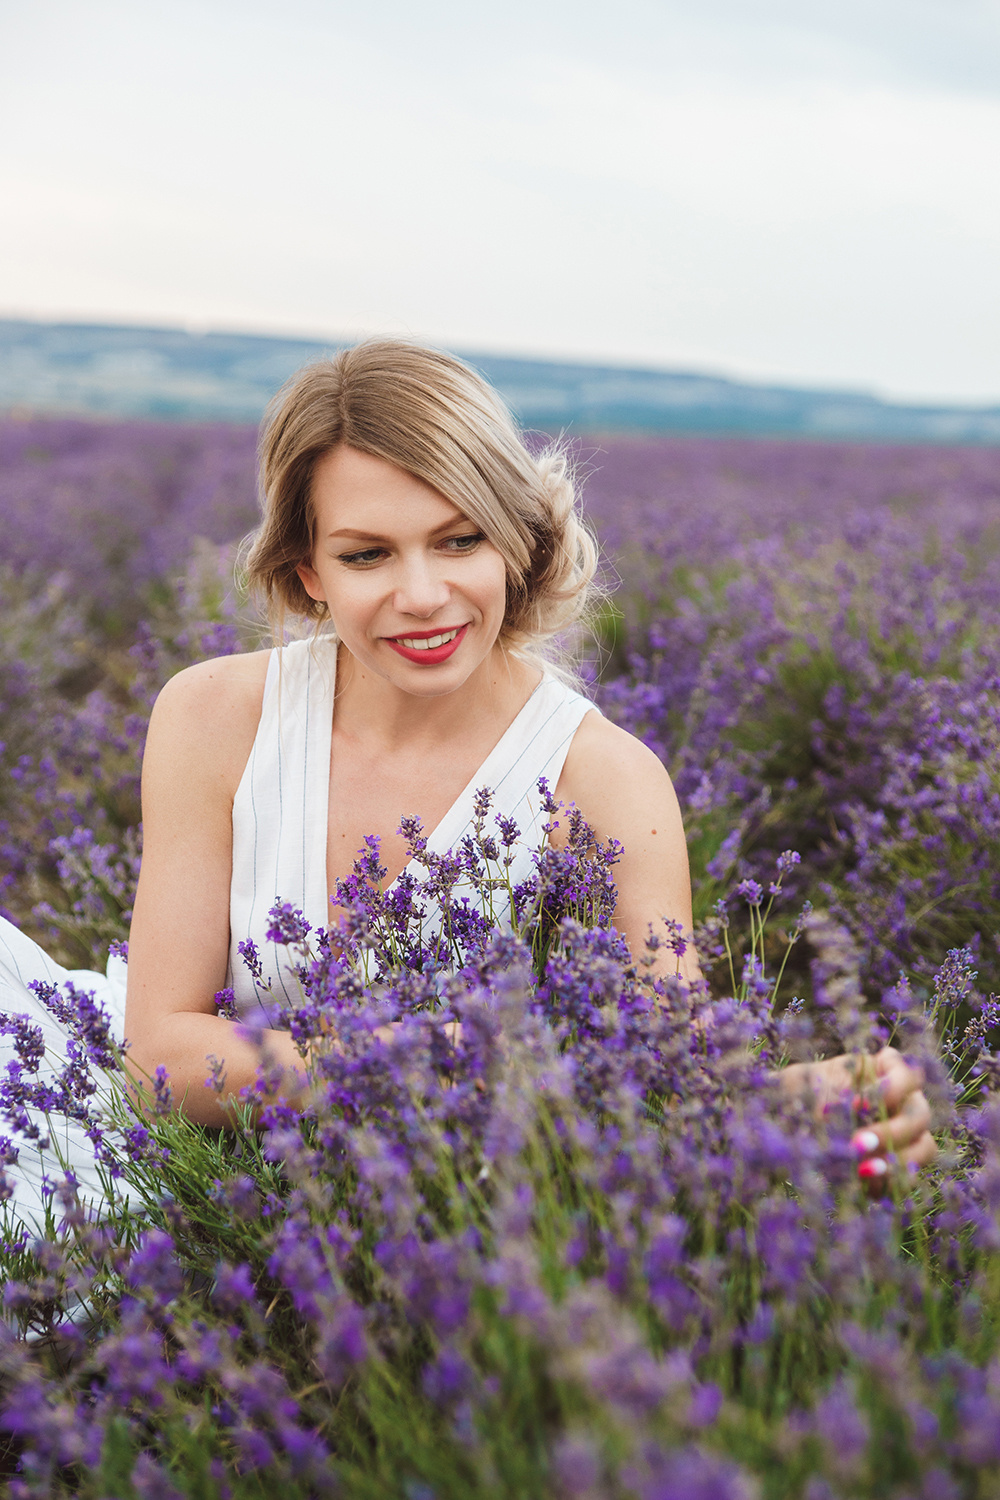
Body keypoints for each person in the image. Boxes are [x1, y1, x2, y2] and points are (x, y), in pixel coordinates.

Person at [0, 341, 933, 1232]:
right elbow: (157, 1051)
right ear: (306, 573)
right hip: (157, 1154)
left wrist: (805, 1102)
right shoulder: (214, 715)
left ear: (519, 545)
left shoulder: (605, 781)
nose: (421, 594)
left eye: (458, 540)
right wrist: (431, 1066)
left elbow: (669, 1080)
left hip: (426, 1216)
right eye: (366, 554)